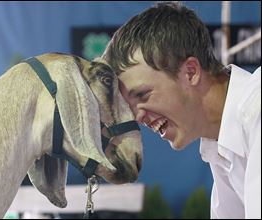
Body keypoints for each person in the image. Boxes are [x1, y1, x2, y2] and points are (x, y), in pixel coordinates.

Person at [102, 2, 261, 219]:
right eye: (129, 106)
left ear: (191, 72)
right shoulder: (219, 143)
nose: (137, 116)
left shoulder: (257, 108)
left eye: (142, 95)